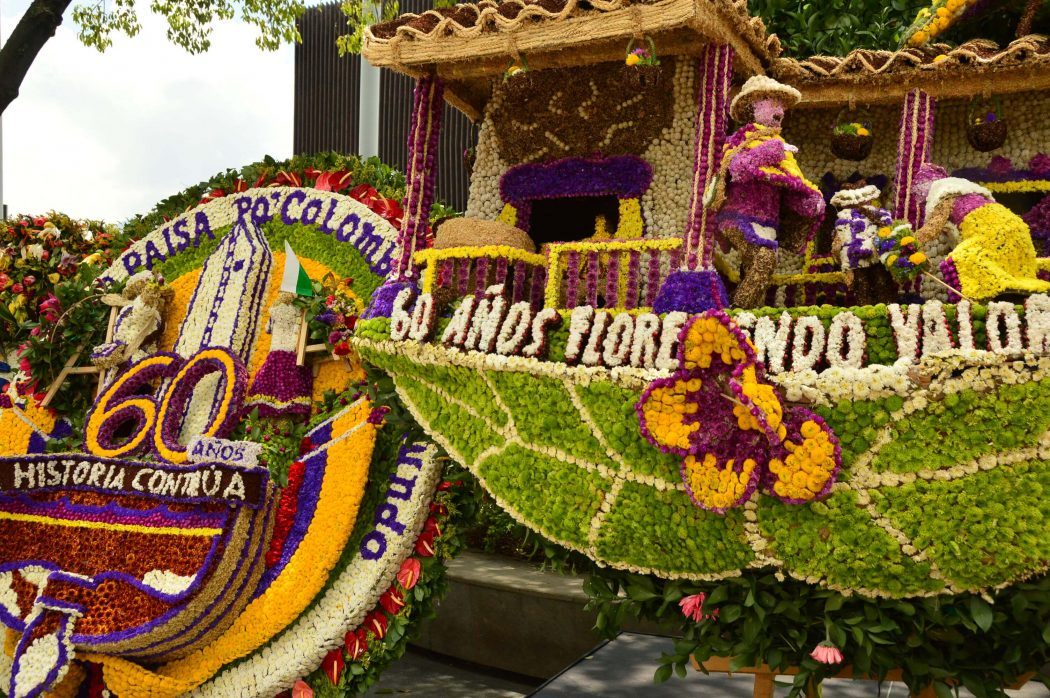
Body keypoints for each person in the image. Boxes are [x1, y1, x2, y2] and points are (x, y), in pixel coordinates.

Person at [709, 76, 826, 309]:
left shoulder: (782, 147)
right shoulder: (739, 140)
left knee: (755, 267)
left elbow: (791, 186)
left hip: (768, 222)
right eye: (769, 101)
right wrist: (772, 149)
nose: (778, 109)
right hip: (738, 216)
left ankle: (748, 323)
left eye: (781, 104)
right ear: (751, 105)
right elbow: (739, 169)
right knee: (764, 259)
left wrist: (810, 202)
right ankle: (735, 312)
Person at [914, 164, 1050, 301]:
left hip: (992, 231)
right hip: (1017, 227)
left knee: (959, 259)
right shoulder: (970, 192)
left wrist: (907, 242)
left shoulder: (945, 195)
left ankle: (986, 297)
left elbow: (932, 229)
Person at [243, 292, 313, 418]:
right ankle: (290, 415)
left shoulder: (276, 311)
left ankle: (273, 414)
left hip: (277, 350)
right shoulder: (299, 308)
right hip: (292, 351)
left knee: (271, 383)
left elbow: (268, 329)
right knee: (290, 385)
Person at [830, 184, 898, 305]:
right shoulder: (843, 219)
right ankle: (868, 317)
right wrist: (846, 268)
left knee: (882, 286)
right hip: (857, 263)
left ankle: (888, 313)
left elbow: (888, 229)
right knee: (864, 291)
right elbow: (839, 246)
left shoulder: (879, 214)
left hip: (878, 259)